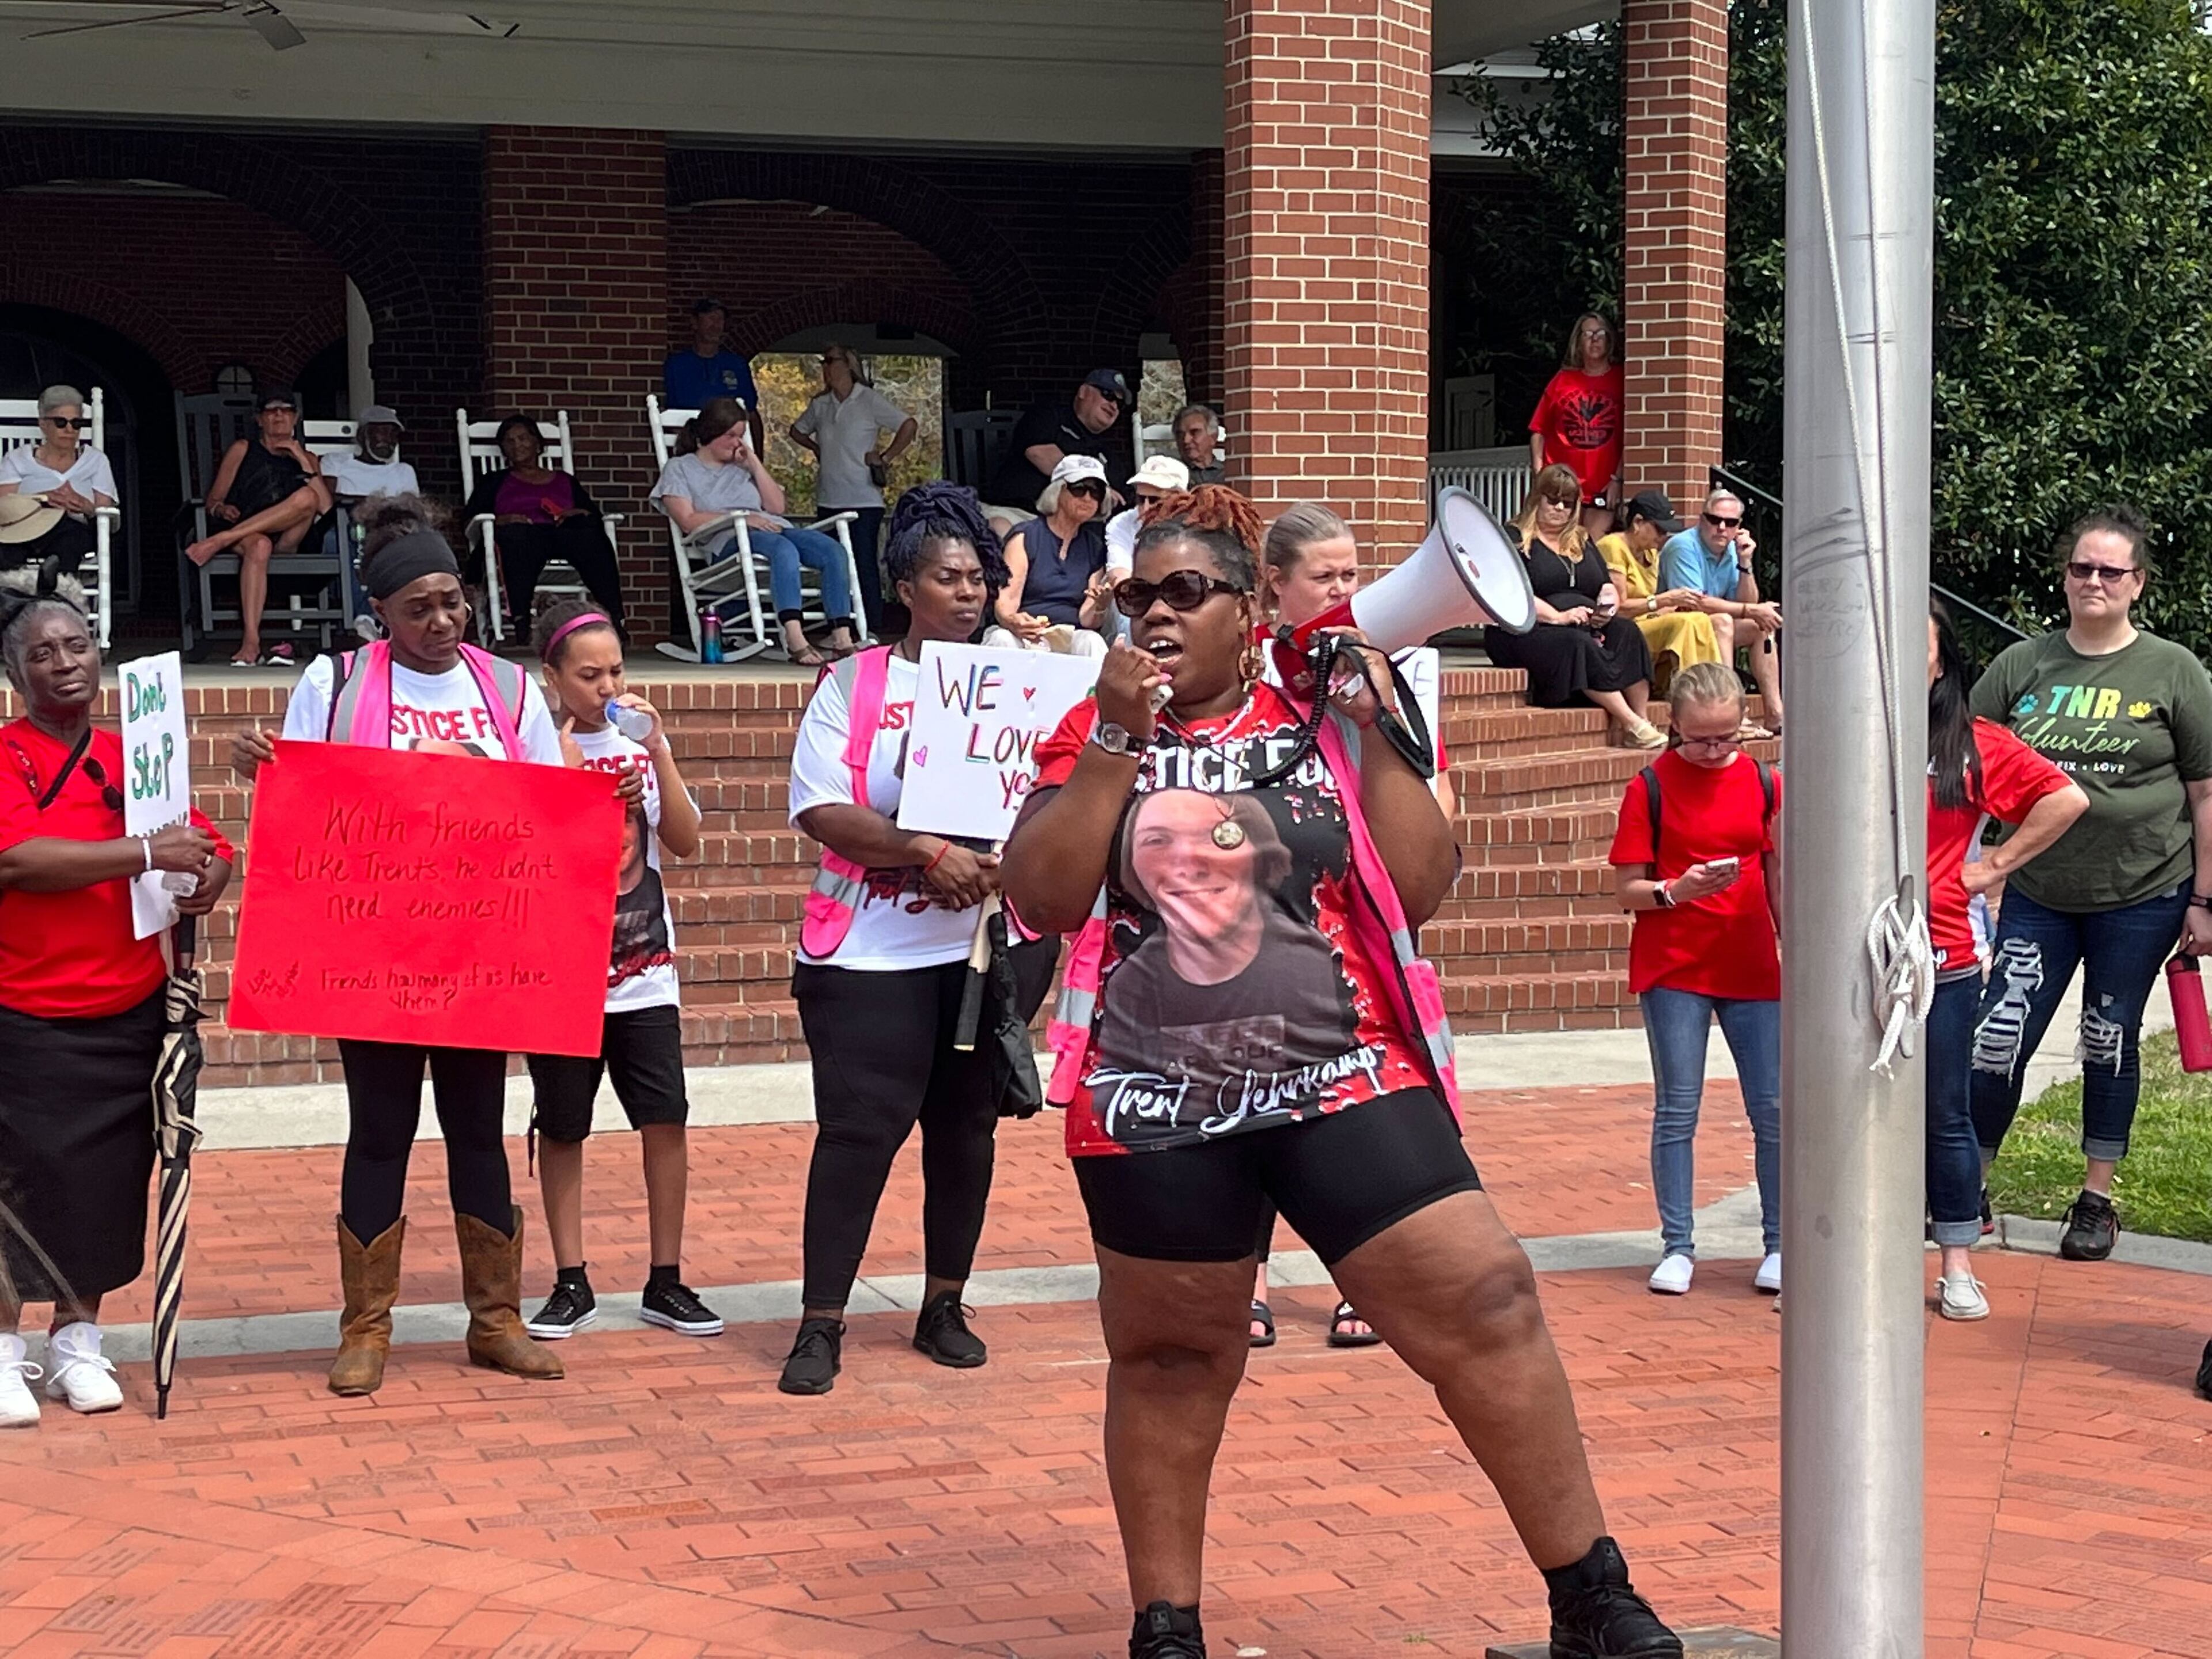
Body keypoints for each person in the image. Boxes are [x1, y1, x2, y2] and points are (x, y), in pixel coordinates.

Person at [1003, 485, 1682, 1659]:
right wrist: (1118, 737)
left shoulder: (1328, 706)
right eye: (1139, 594)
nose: (1160, 613)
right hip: (1159, 1096)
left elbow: (1418, 885)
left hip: (1341, 1070)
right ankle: (1167, 1626)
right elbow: (1041, 893)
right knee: (1173, 1358)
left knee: (1488, 1297)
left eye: (1189, 591)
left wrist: (1371, 722)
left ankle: (1592, 1597)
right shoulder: (1090, 730)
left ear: (1247, 612)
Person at [228, 508, 590, 1396]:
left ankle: (495, 1321)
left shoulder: (507, 691)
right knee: (380, 1132)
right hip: (375, 954)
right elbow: (304, 806)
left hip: (480, 954)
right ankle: (365, 1327)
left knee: (478, 1132)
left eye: (454, 604)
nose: (442, 624)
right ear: (380, 614)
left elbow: (550, 810)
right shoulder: (338, 682)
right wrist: (263, 766)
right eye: (420, 609)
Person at [777, 483, 1018, 1396]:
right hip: (868, 953)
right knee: (858, 1133)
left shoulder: (1015, 680)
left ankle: (944, 1305)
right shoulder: (854, 684)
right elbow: (823, 809)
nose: (967, 592)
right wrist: (924, 852)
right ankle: (821, 1322)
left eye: (978, 578)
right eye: (948, 577)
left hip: (977, 947)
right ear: (904, 587)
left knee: (966, 1133)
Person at [0, 570, 233, 1427]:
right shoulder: (5, 755)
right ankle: (4, 1350)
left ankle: (78, 1343)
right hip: (26, 1013)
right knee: (16, 1186)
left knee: (106, 1186)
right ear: (16, 675)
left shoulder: (133, 754)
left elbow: (202, 841)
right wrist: (144, 853)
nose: (64, 663)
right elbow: (20, 861)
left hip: (129, 1012)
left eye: (76, 646)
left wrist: (209, 873)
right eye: (41, 654)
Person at [1967, 505, 2212, 1262]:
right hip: (2037, 891)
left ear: (2137, 583)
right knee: (1996, 1040)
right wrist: (1978, 869)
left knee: (2109, 1041)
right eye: (2082, 568)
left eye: (2111, 570)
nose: (2094, 580)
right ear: (2065, 576)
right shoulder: (2023, 665)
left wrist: (2205, 899)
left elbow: (2205, 792)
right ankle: (1964, 1188)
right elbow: (1960, 761)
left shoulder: (2173, 670)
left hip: (2144, 892)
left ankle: (2096, 1200)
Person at [1245, 498, 1460, 1349]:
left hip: (1358, 914)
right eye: (1325, 577)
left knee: (1355, 1101)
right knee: (1255, 1100)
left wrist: (1375, 708)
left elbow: (1421, 780)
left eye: (1352, 575)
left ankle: (1358, 1282)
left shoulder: (1396, 667)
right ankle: (1250, 1281)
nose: (1345, 589)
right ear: (1276, 585)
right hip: (1267, 913)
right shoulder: (1248, 668)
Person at [520, 600, 720, 1342]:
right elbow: (524, 851)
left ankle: (666, 1279)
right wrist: (569, 787)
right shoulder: (538, 748)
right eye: (589, 675)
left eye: (616, 671)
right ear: (553, 678)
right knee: (564, 1126)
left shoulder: (637, 748)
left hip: (645, 977)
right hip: (563, 977)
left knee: (665, 1119)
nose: (607, 688)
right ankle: (571, 1279)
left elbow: (688, 839)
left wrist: (659, 753)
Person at [1923, 601, 2086, 1321]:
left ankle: (1957, 1260)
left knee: (1943, 1111)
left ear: (1942, 660)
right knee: (1839, 1114)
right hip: (1849, 961)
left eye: (1915, 640)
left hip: (1944, 954)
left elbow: (2065, 797)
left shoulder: (1973, 744)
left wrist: (1997, 864)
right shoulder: (1843, 730)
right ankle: (1829, 1256)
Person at [1607, 661, 1783, 1297]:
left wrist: (1789, 940)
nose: (1713, 751)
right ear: (1672, 725)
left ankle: (1778, 1242)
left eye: (1728, 737)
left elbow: (1778, 871)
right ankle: (1677, 1245)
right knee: (1678, 1108)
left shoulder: (1765, 782)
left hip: (1751, 959)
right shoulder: (1649, 787)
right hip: (1674, 960)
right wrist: (1674, 890)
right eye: (1699, 739)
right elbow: (1627, 889)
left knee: (1773, 1108)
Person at [652, 397, 857, 667]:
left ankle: (842, 638)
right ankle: (796, 639)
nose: (738, 443)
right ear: (709, 435)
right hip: (728, 541)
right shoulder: (680, 468)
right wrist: (743, 518)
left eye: (741, 436)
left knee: (832, 550)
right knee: (783, 550)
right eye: (731, 436)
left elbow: (776, 507)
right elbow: (688, 521)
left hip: (772, 530)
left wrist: (754, 465)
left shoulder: (742, 467)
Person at [1486, 466, 1662, 748]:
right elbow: (1509, 592)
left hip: (1582, 622)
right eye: (1552, 500)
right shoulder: (1515, 538)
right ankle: (1632, 723)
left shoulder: (1580, 538)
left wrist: (1607, 607)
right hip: (1524, 627)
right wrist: (1558, 617)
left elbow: (1604, 584)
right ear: (1536, 499)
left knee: (1627, 631)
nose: (1559, 508)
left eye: (1567, 504)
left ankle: (1642, 719)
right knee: (1576, 643)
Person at [185, 388, 332, 668]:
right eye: (271, 410)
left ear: (296, 417)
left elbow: (325, 508)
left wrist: (300, 458)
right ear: (259, 419)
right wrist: (221, 509)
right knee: (260, 545)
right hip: (248, 532)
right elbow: (213, 500)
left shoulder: (308, 459)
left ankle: (219, 540)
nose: (279, 415)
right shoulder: (243, 449)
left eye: (286, 410)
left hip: (289, 541)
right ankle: (251, 643)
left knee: (308, 497)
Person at [790, 344, 916, 638]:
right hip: (829, 497)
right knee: (830, 564)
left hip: (864, 498)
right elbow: (796, 430)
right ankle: (838, 623)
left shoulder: (869, 400)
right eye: (823, 362)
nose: (826, 367)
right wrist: (816, 448)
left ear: (848, 365)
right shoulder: (820, 405)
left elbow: (908, 425)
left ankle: (871, 625)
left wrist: (884, 458)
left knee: (863, 562)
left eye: (831, 361)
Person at [461, 414, 627, 638]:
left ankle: (615, 618)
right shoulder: (494, 482)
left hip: (564, 536)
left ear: (538, 443)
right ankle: (521, 620)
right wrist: (502, 520)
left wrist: (576, 513)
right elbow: (470, 518)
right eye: (509, 441)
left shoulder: (565, 480)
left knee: (592, 537)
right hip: (522, 538)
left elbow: (592, 515)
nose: (516, 445)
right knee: (517, 538)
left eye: (522, 438)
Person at [1657, 489, 1785, 735]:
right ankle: (1733, 714)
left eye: (1730, 523)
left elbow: (1748, 605)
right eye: (1715, 520)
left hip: (1711, 628)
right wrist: (1751, 609)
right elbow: (1695, 603)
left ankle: (1775, 714)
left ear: (1739, 527)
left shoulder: (1733, 550)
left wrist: (1745, 563)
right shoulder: (1682, 547)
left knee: (1760, 626)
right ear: (1702, 519)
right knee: (1723, 621)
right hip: (1675, 634)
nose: (1721, 528)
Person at [1597, 491, 1722, 699]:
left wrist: (1673, 607)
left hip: (1647, 623)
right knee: (1686, 624)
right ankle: (1696, 699)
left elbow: (1651, 605)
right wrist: (1665, 600)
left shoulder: (1650, 552)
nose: (1664, 536)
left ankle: (1712, 694)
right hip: (1623, 631)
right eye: (1660, 529)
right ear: (1638, 522)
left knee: (1699, 619)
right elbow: (1618, 610)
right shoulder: (1613, 546)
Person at [988, 454, 1112, 657]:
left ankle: (1100, 691)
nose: (1088, 498)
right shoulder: (1026, 536)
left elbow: (1088, 620)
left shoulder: (1095, 547)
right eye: (1079, 488)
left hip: (1069, 635)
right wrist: (1014, 622)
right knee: (1002, 639)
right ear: (1057, 491)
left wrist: (1100, 606)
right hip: (1025, 633)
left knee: (1092, 641)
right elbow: (1007, 602)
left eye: (1096, 492)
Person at [981, 368, 1132, 533]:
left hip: (1068, 532)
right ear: (1083, 392)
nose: (1114, 406)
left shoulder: (1107, 454)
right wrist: (1094, 481)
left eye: (1120, 403)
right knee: (1001, 529)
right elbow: (1038, 453)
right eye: (1108, 395)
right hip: (1016, 513)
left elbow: (1119, 500)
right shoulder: (1049, 416)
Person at [0, 385, 117, 574]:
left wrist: (85, 505)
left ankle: (58, 597)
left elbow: (106, 513)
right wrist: (42, 498)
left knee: (70, 543)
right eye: (61, 422)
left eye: (77, 423)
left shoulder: (96, 460)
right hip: (23, 529)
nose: (70, 429)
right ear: (43, 424)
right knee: (7, 552)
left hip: (73, 529)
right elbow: (3, 507)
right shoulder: (17, 459)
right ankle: (14, 598)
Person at [321, 406, 420, 629]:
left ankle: (363, 618)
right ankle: (364, 617)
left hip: (390, 530)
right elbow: (328, 500)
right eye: (382, 432)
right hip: (348, 528)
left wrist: (366, 503)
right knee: (333, 539)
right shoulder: (337, 462)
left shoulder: (403, 471)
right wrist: (382, 502)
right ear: (362, 435)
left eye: (393, 434)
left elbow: (412, 508)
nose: (389, 439)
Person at [1529, 313, 1624, 537]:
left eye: (1601, 334)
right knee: (1559, 546)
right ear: (1578, 342)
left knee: (1592, 550)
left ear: (1610, 340)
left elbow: (1630, 437)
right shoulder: (1563, 380)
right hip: (1563, 487)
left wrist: (1618, 479)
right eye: (1588, 334)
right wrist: (1540, 473)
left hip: (1602, 486)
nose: (1595, 339)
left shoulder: (1621, 380)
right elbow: (1538, 430)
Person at [664, 298, 764, 453]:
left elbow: (750, 412)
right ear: (695, 323)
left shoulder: (736, 365)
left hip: (733, 451)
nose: (716, 325)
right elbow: (671, 414)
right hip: (692, 451)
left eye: (720, 319)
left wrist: (757, 459)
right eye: (710, 318)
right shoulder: (677, 365)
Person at [1104, 455, 1191, 579]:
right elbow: (1120, 574)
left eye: (1155, 500)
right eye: (1140, 499)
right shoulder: (1122, 523)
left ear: (1180, 499)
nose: (1146, 508)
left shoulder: (1196, 526)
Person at [1173, 404, 1223, 486]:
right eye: (1180, 435)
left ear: (1213, 437)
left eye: (1194, 432)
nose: (1186, 440)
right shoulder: (1172, 474)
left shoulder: (1229, 474)